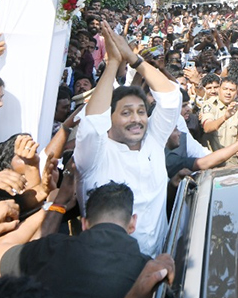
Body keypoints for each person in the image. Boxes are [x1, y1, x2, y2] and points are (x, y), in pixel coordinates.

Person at [76, 26, 181, 256]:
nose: (136, 120)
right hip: (108, 270)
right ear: (110, 118)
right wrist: (113, 63)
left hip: (156, 267)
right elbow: (92, 123)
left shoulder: (153, 140)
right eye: (125, 113)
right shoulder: (95, 153)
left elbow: (172, 97)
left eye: (141, 112)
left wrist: (134, 59)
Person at [0, 182, 151, 298]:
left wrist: (55, 205)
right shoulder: (150, 273)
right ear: (132, 223)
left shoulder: (52, 249)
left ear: (84, 223)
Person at [198, 77, 238, 163]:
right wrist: (224, 117)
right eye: (225, 89)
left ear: (236, 93)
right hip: (214, 160)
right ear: (219, 90)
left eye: (232, 90)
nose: (228, 93)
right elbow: (207, 128)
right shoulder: (209, 105)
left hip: (234, 159)